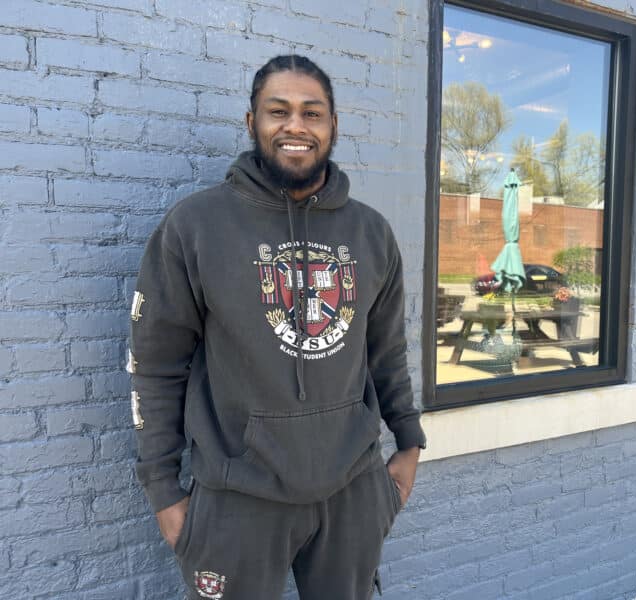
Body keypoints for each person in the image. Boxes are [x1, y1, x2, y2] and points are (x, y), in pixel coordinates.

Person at [129, 54, 426, 600]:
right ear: (252, 123)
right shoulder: (195, 227)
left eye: (313, 113)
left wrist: (408, 443)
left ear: (333, 126)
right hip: (237, 495)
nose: (296, 125)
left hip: (353, 490)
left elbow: (386, 352)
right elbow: (155, 366)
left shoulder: (371, 232)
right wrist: (164, 492)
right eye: (279, 111)